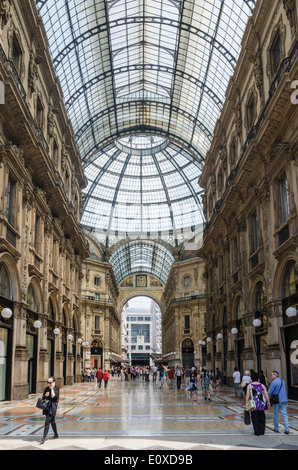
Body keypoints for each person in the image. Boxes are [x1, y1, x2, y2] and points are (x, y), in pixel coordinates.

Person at [246, 371, 270, 436]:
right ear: (258, 379)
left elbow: (248, 394)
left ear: (251, 379)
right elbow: (266, 393)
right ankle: (262, 431)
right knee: (262, 417)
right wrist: (268, 401)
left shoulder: (249, 385)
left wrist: (246, 403)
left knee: (254, 417)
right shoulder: (262, 385)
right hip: (261, 403)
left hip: (254, 404)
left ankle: (257, 432)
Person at [39, 376, 59, 444]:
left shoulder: (56, 388)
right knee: (52, 421)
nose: (49, 384)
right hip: (47, 407)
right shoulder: (46, 388)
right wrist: (45, 395)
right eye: (48, 382)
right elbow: (43, 397)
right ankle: (56, 434)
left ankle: (43, 438)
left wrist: (52, 388)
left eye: (50, 382)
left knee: (47, 422)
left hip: (52, 408)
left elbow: (54, 396)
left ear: (53, 382)